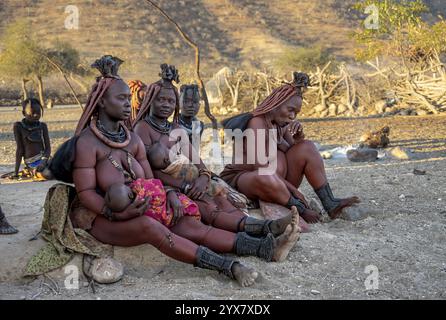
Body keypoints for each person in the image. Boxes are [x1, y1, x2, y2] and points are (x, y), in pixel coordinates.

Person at [65, 56, 299, 287]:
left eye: (129, 98)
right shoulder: (87, 143)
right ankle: (228, 267)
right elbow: (86, 193)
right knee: (152, 228)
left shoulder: (131, 139)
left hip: (143, 204)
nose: (128, 103)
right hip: (105, 217)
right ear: (102, 103)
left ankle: (265, 246)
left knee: (190, 223)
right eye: (121, 98)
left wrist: (170, 194)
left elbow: (149, 180)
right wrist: (116, 213)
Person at [132, 64, 297, 245]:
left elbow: (195, 159)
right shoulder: (143, 128)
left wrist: (204, 176)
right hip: (168, 187)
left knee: (222, 199)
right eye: (160, 100)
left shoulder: (175, 128)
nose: (166, 105)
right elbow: (148, 172)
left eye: (171, 101)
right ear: (150, 100)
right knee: (208, 207)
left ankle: (265, 229)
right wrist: (181, 188)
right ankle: (257, 237)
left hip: (191, 180)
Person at [220, 72, 360, 224]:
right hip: (249, 181)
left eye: (296, 113)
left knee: (307, 146)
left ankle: (330, 202)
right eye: (291, 110)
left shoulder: (281, 125)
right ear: (276, 104)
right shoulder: (256, 123)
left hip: (278, 183)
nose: (293, 116)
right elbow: (263, 169)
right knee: (265, 176)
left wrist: (299, 139)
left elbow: (296, 155)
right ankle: (299, 209)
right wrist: (294, 192)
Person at [12, 98, 51, 180]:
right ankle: (32, 171)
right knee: (47, 174)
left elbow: (47, 148)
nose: (36, 115)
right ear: (24, 113)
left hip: (44, 159)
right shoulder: (18, 127)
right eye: (32, 113)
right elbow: (20, 150)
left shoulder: (42, 126)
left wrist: (44, 161)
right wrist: (16, 173)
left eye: (38, 113)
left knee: (63, 166)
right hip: (32, 163)